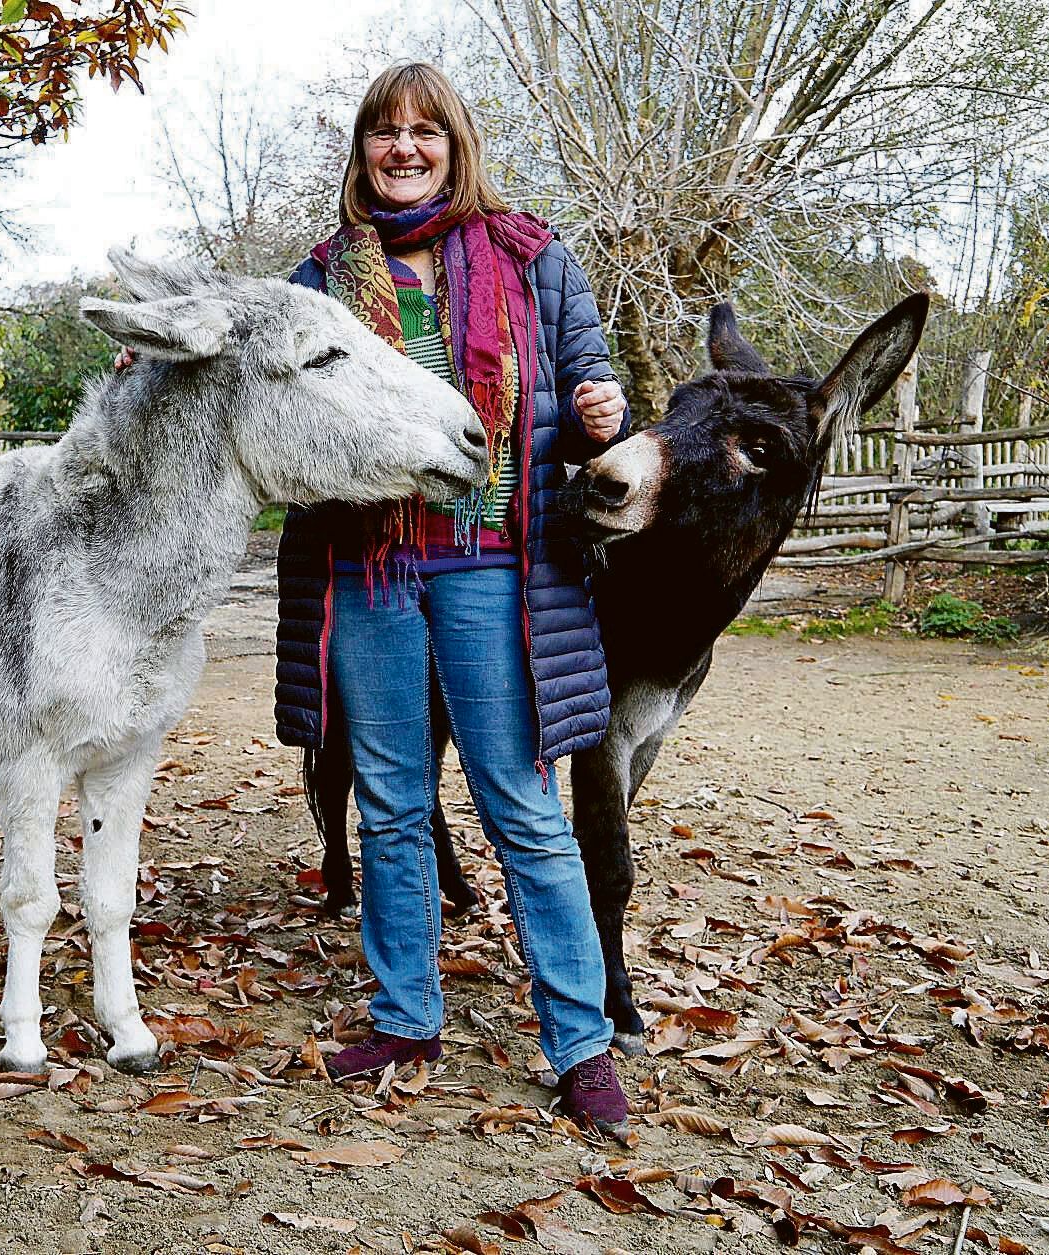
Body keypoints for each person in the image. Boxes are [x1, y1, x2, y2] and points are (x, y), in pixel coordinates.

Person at [272, 61, 631, 1134]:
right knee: (388, 805)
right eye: (383, 131)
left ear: (453, 144)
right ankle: (403, 1014)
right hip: (368, 572)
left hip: (494, 571)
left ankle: (579, 1044)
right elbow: (291, 426)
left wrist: (598, 413)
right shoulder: (321, 277)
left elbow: (580, 398)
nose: (403, 148)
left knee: (519, 806)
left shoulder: (529, 255)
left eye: (424, 130)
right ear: (361, 151)